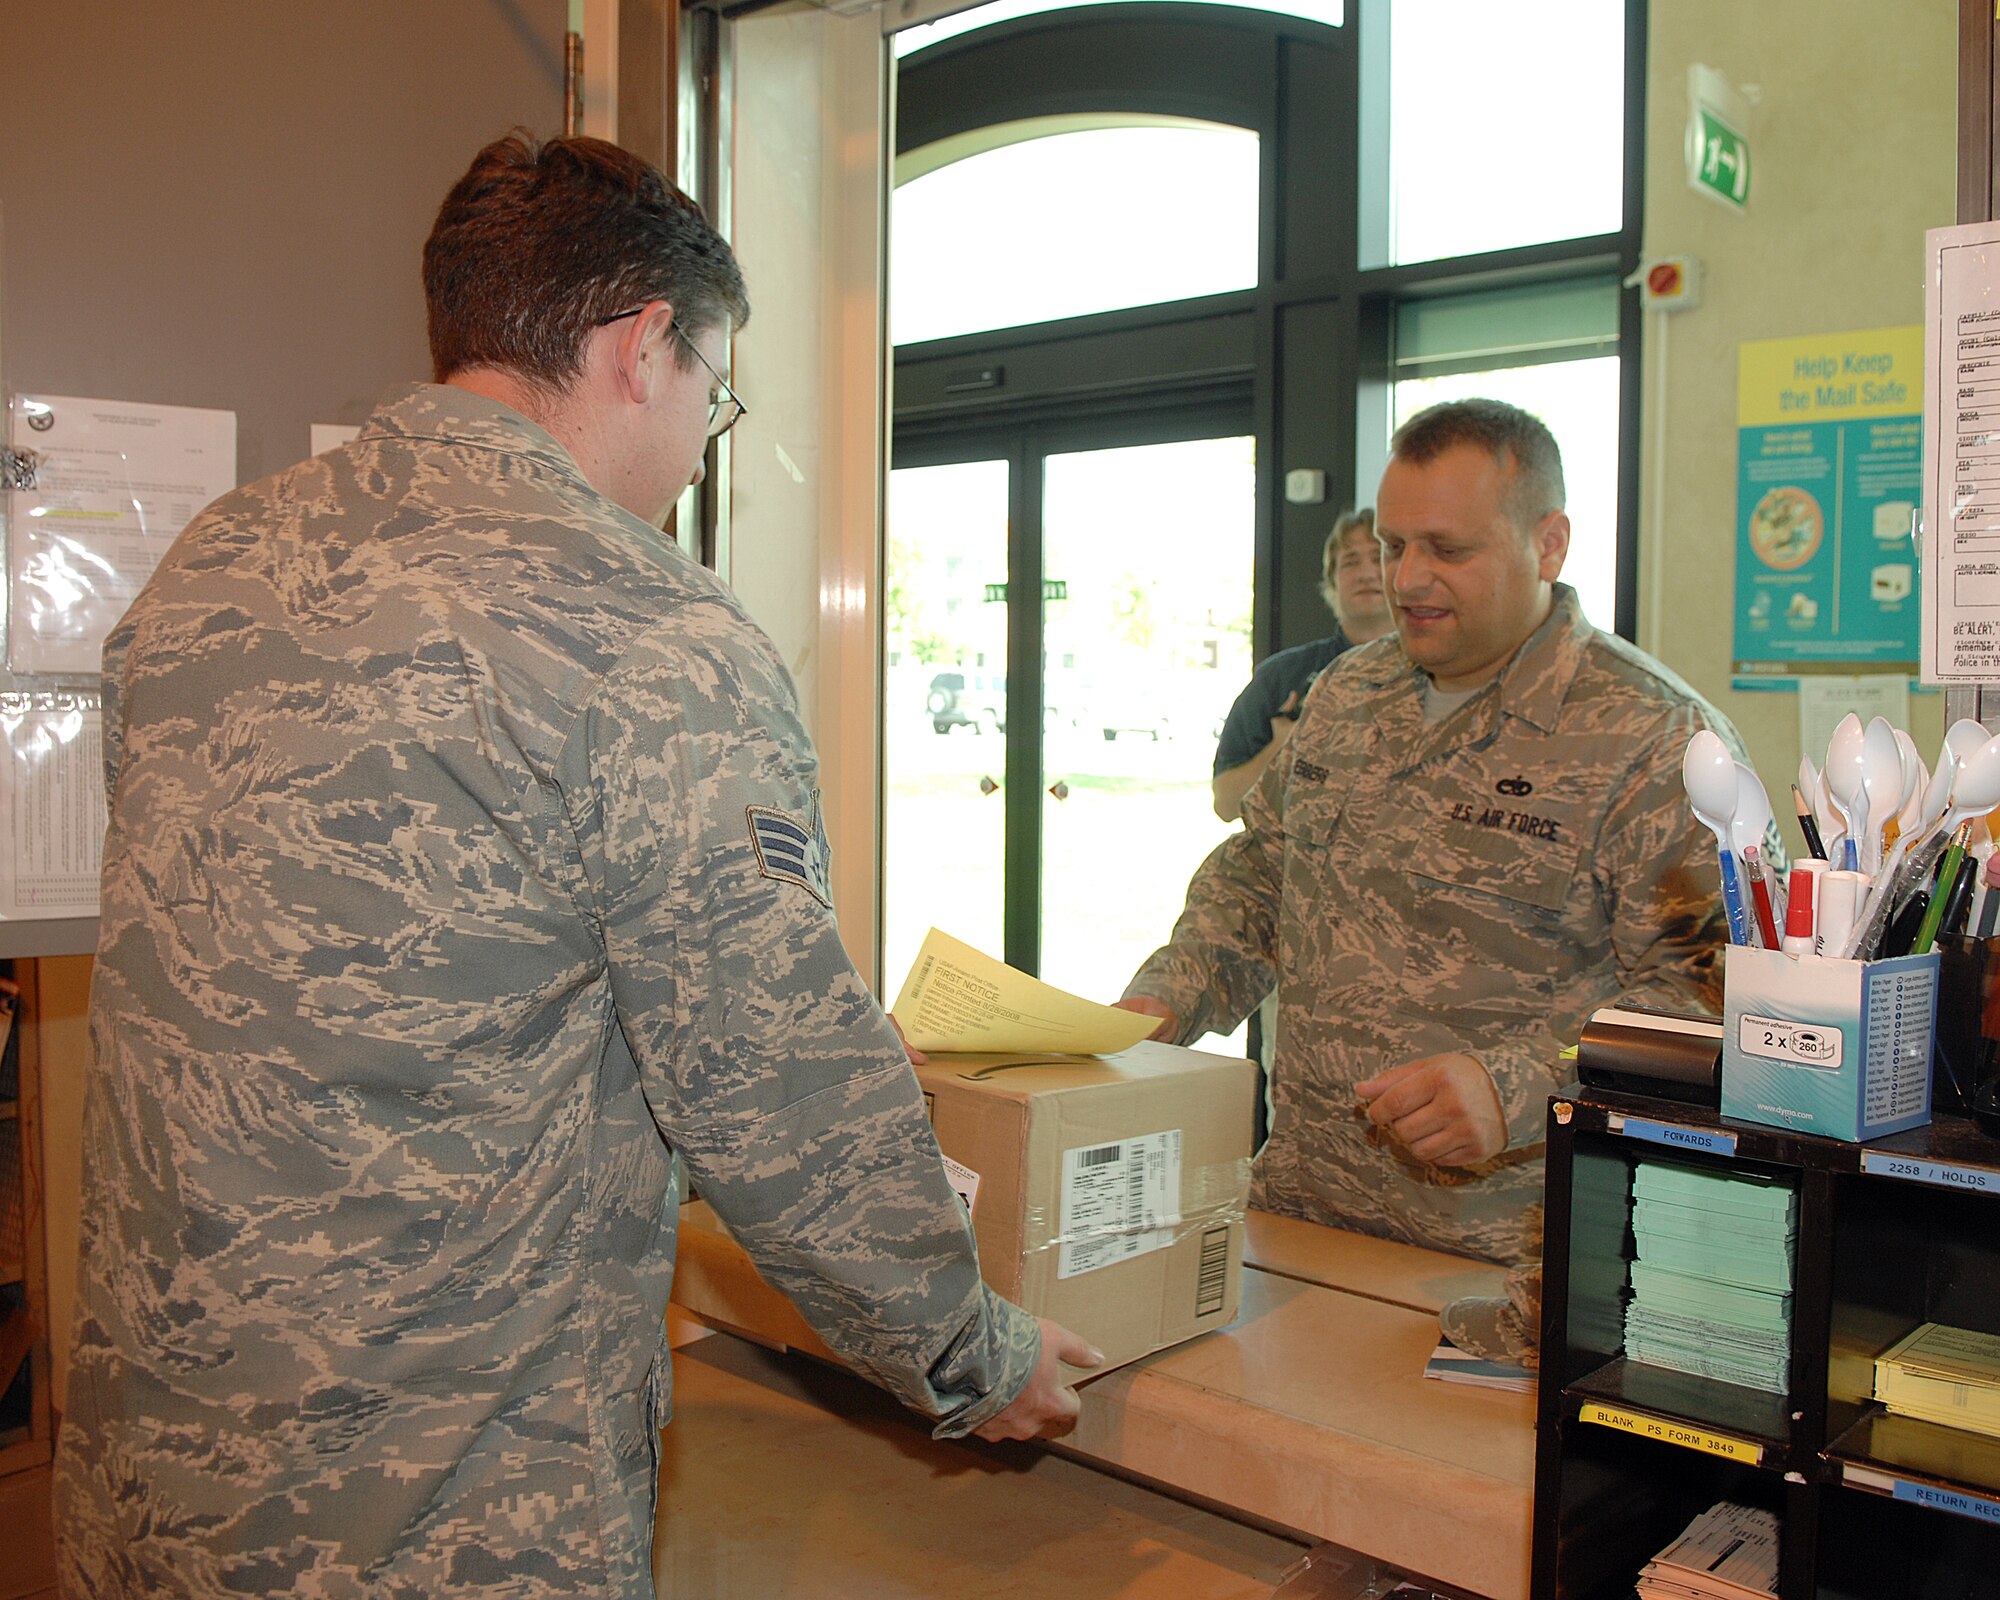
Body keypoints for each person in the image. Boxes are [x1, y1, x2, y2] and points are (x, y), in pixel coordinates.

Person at [56, 133, 1096, 1599]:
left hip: (150, 1467)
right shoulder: (645, 633)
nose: (698, 436)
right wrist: (970, 1352)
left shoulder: (212, 565)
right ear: (642, 345)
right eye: (715, 396)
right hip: (439, 1503)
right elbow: (780, 1091)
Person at [1118, 398, 1752, 1267]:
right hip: (1304, 1217)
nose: (1405, 578)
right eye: (1391, 544)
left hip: (1514, 1258)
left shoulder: (1655, 740)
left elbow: (1713, 1001)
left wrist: (1515, 1087)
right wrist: (1162, 1001)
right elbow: (1261, 876)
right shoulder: (1347, 695)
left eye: (1447, 549)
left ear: (1550, 543)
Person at [1211, 508, 1391, 823]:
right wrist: (1285, 748)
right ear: (1331, 580)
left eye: (1379, 558)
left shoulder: (1445, 675)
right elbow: (1226, 804)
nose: (1365, 573)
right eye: (1350, 561)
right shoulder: (1280, 677)